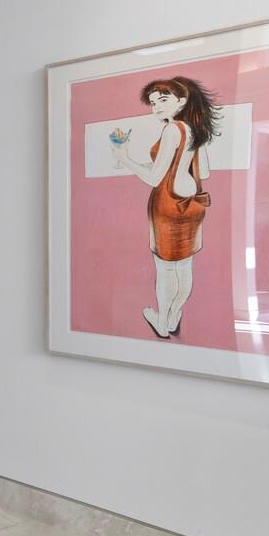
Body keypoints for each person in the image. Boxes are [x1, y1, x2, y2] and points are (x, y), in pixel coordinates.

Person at [112, 76, 218, 339]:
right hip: (192, 204)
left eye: (162, 100)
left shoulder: (172, 130)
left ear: (181, 101)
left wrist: (124, 158)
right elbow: (201, 171)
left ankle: (161, 322)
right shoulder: (195, 129)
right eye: (152, 103)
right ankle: (173, 317)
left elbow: (154, 178)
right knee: (184, 267)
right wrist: (141, 164)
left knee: (166, 270)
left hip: (168, 205)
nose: (156, 107)